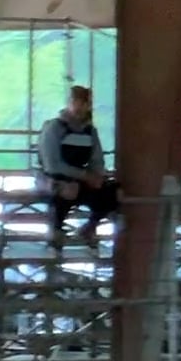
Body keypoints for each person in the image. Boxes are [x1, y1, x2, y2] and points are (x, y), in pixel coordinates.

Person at [37, 85, 119, 247]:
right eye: (76, 102)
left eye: (84, 103)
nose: (79, 107)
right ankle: (55, 233)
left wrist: (96, 176)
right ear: (69, 103)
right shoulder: (54, 128)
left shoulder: (89, 131)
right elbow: (52, 165)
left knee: (113, 192)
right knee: (63, 193)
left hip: (80, 179)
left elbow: (97, 159)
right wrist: (83, 176)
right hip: (54, 180)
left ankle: (89, 227)